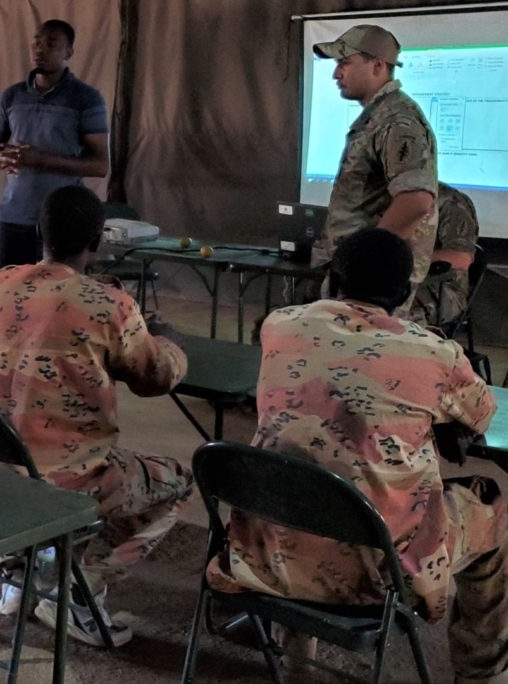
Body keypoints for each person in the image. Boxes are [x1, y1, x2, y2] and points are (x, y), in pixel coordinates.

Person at [208, 228, 506, 684]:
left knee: (310, 477)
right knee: (497, 520)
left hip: (268, 555)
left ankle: (295, 658)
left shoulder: (280, 326)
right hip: (380, 574)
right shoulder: (434, 353)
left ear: (331, 280)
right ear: (407, 293)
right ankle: (482, 676)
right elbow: (482, 414)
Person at [0, 185, 192, 646]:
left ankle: (19, 577)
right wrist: (166, 339)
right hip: (68, 479)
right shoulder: (110, 305)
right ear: (97, 240)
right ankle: (78, 591)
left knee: (28, 458)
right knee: (177, 484)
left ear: (39, 231)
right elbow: (156, 378)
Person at [310, 25, 437, 317]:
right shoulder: (380, 116)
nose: (336, 73)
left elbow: (416, 200)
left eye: (344, 62)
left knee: (360, 358)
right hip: (359, 280)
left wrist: (366, 264)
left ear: (377, 65)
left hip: (371, 286)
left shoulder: (396, 120)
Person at [0, 19, 109, 270]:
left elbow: (100, 165)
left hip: (61, 223)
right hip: (13, 216)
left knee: (58, 298)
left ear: (69, 52)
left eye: (51, 44)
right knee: (5, 294)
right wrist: (4, 159)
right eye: (36, 43)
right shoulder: (12, 95)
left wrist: (41, 160)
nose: (40, 50)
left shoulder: (85, 98)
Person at [412, 182, 480, 327]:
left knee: (387, 309)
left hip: (439, 286)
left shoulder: (450, 202)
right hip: (392, 281)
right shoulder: (379, 196)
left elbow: (461, 259)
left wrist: (406, 260)